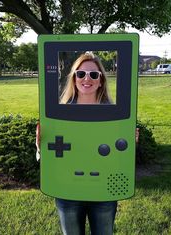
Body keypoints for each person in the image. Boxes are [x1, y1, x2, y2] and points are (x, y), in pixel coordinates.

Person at [36, 52, 139, 235]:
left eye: (94, 74)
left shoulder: (117, 116)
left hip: (104, 191)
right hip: (67, 190)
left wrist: (131, 144)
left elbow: (119, 156)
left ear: (101, 81)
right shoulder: (58, 114)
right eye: (81, 74)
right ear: (74, 78)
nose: (87, 79)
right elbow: (51, 155)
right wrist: (40, 146)